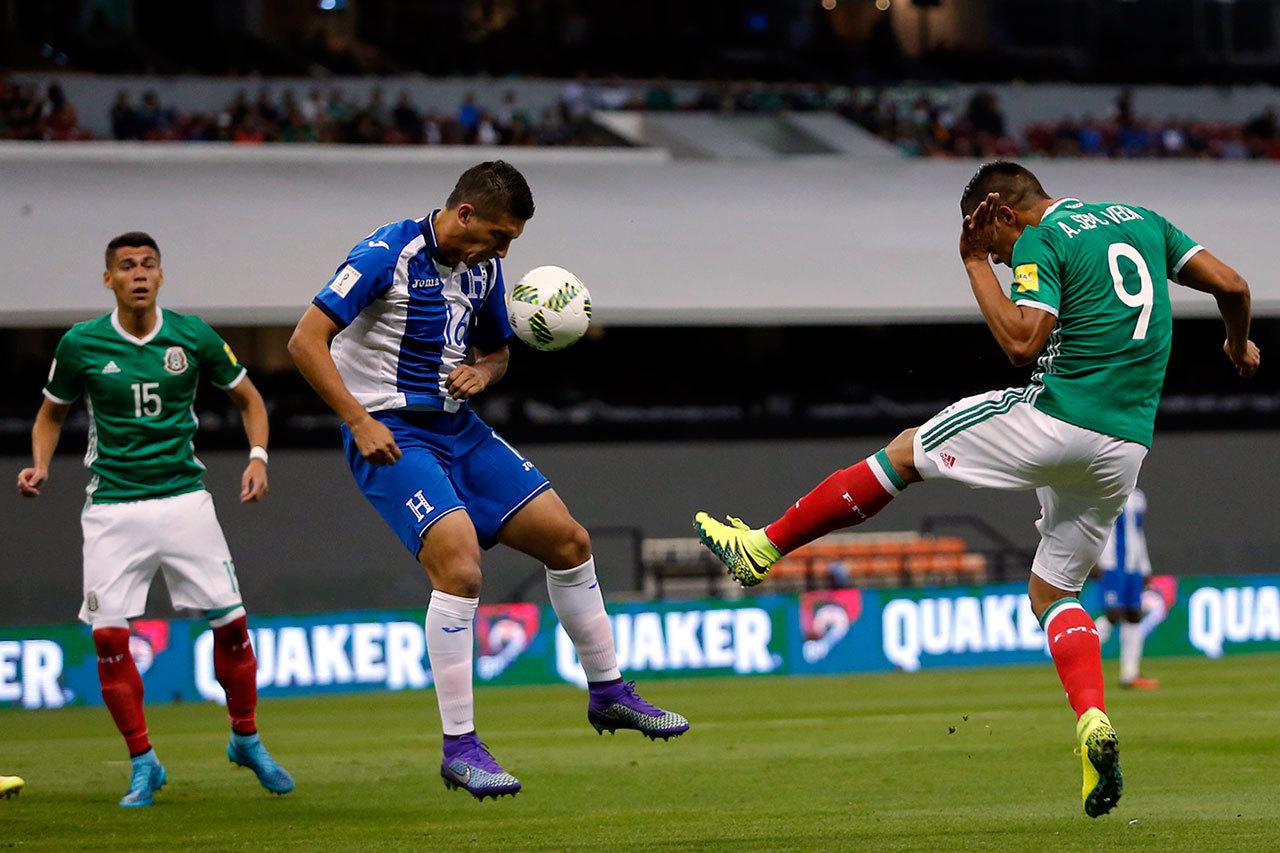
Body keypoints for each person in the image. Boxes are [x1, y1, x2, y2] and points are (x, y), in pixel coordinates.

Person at [694, 161, 1260, 818]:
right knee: (1054, 591)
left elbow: (1022, 342)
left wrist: (973, 263)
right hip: (1125, 446)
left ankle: (762, 547)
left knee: (906, 451)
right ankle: (1094, 719)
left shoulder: (1045, 237)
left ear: (1004, 211)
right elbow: (1235, 285)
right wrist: (1237, 344)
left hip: (1057, 417)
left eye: (999, 245)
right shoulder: (1144, 221)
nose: (1002, 257)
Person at [288, 160, 687, 801]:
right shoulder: (386, 252)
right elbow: (305, 340)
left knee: (569, 541)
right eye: (500, 237)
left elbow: (497, 351)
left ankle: (609, 691)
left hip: (457, 427)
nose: (504, 252)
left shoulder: (482, 268)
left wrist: (486, 373)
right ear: (465, 214)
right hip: (391, 432)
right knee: (461, 569)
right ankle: (461, 748)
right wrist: (357, 420)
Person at [17, 233, 293, 808]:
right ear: (109, 280)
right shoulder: (81, 343)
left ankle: (245, 738)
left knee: (233, 627)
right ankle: (144, 763)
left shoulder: (192, 335)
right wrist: (39, 466)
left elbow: (251, 400)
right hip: (113, 509)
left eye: (147, 265)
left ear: (161, 276)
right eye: (126, 266)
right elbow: (50, 414)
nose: (138, 274)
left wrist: (258, 458)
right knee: (111, 641)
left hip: (184, 501)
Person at [1094, 487, 1160, 689]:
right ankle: (1075, 653)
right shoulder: (1106, 491)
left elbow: (1138, 534)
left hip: (1133, 565)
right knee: (1113, 614)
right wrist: (1095, 559)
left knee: (1133, 614)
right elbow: (1095, 527)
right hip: (1112, 563)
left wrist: (1145, 566)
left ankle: (1130, 674)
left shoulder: (1139, 497)